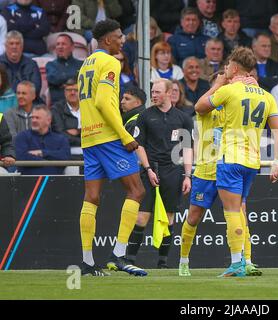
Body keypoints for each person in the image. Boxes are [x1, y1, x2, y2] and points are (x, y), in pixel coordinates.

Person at [195, 46, 278, 277]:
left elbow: (199, 107)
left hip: (230, 157)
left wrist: (219, 82)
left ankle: (237, 264)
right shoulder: (267, 95)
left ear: (234, 67)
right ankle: (245, 260)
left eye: (227, 66)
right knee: (240, 210)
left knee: (232, 211)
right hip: (253, 162)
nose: (224, 69)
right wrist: (277, 161)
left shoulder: (230, 90)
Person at [77, 19, 146, 277]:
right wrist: (124, 135)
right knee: (137, 191)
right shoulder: (110, 62)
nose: (123, 39)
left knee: (91, 198)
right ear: (107, 40)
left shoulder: (85, 65)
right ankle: (118, 255)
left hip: (89, 139)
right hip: (107, 137)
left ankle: (86, 262)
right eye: (119, 36)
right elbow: (105, 103)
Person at [179, 72, 263, 277]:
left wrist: (253, 83)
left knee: (240, 213)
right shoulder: (207, 108)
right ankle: (183, 261)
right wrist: (218, 84)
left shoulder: (234, 106)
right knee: (194, 216)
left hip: (231, 164)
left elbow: (254, 103)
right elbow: (200, 105)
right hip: (207, 169)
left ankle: (247, 261)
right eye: (224, 83)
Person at [125, 79, 193, 269]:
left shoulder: (183, 118)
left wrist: (188, 175)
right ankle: (129, 260)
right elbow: (138, 145)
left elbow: (187, 149)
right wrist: (147, 169)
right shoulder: (145, 116)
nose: (153, 95)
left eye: (157, 92)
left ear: (170, 93)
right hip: (150, 170)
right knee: (141, 217)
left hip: (173, 171)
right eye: (152, 92)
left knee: (169, 218)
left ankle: (162, 262)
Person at [15, 104, 70, 175]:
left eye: (37, 118)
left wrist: (42, 153)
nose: (34, 120)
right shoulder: (22, 136)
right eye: (32, 117)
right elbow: (22, 158)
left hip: (55, 181)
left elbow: (65, 157)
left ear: (48, 120)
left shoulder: (61, 139)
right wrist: (51, 161)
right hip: (27, 181)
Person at [51, 78, 83, 175]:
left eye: (76, 90)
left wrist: (77, 132)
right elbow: (60, 135)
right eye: (69, 90)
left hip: (90, 153)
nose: (72, 93)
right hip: (68, 153)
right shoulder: (56, 109)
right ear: (64, 92)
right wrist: (84, 136)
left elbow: (96, 131)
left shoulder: (89, 107)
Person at [46, 34, 84, 105]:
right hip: (58, 106)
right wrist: (74, 79)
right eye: (58, 44)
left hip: (80, 105)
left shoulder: (81, 64)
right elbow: (54, 79)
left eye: (63, 44)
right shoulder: (51, 65)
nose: (60, 47)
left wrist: (64, 83)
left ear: (72, 47)